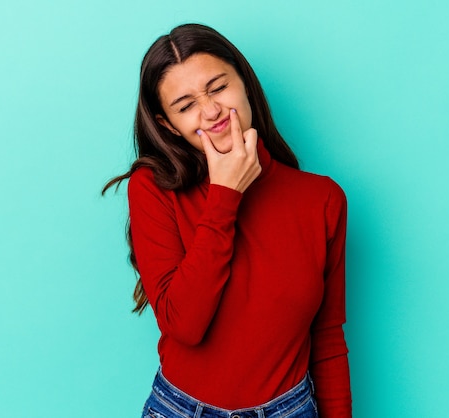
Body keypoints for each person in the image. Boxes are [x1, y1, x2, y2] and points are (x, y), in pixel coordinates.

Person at [104, 23, 352, 418]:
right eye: (185, 106)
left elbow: (327, 339)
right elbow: (185, 325)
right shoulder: (152, 188)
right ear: (168, 124)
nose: (211, 111)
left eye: (218, 88)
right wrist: (226, 195)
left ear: (245, 83)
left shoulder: (321, 199)